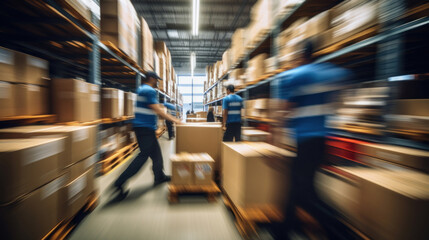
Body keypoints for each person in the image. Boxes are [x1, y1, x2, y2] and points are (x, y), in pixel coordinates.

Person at [276, 39, 351, 239]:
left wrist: (274, 135)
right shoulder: (330, 72)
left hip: (305, 141)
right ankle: (284, 230)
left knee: (306, 193)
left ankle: (341, 232)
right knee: (297, 186)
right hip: (322, 140)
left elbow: (286, 109)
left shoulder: (298, 76)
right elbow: (343, 89)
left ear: (302, 56)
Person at [111, 72, 182, 198]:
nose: (158, 82)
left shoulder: (141, 89)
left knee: (157, 155)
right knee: (143, 156)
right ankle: (119, 182)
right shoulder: (149, 90)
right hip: (144, 128)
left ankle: (159, 176)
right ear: (151, 78)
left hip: (144, 128)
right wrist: (174, 119)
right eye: (156, 80)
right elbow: (157, 109)